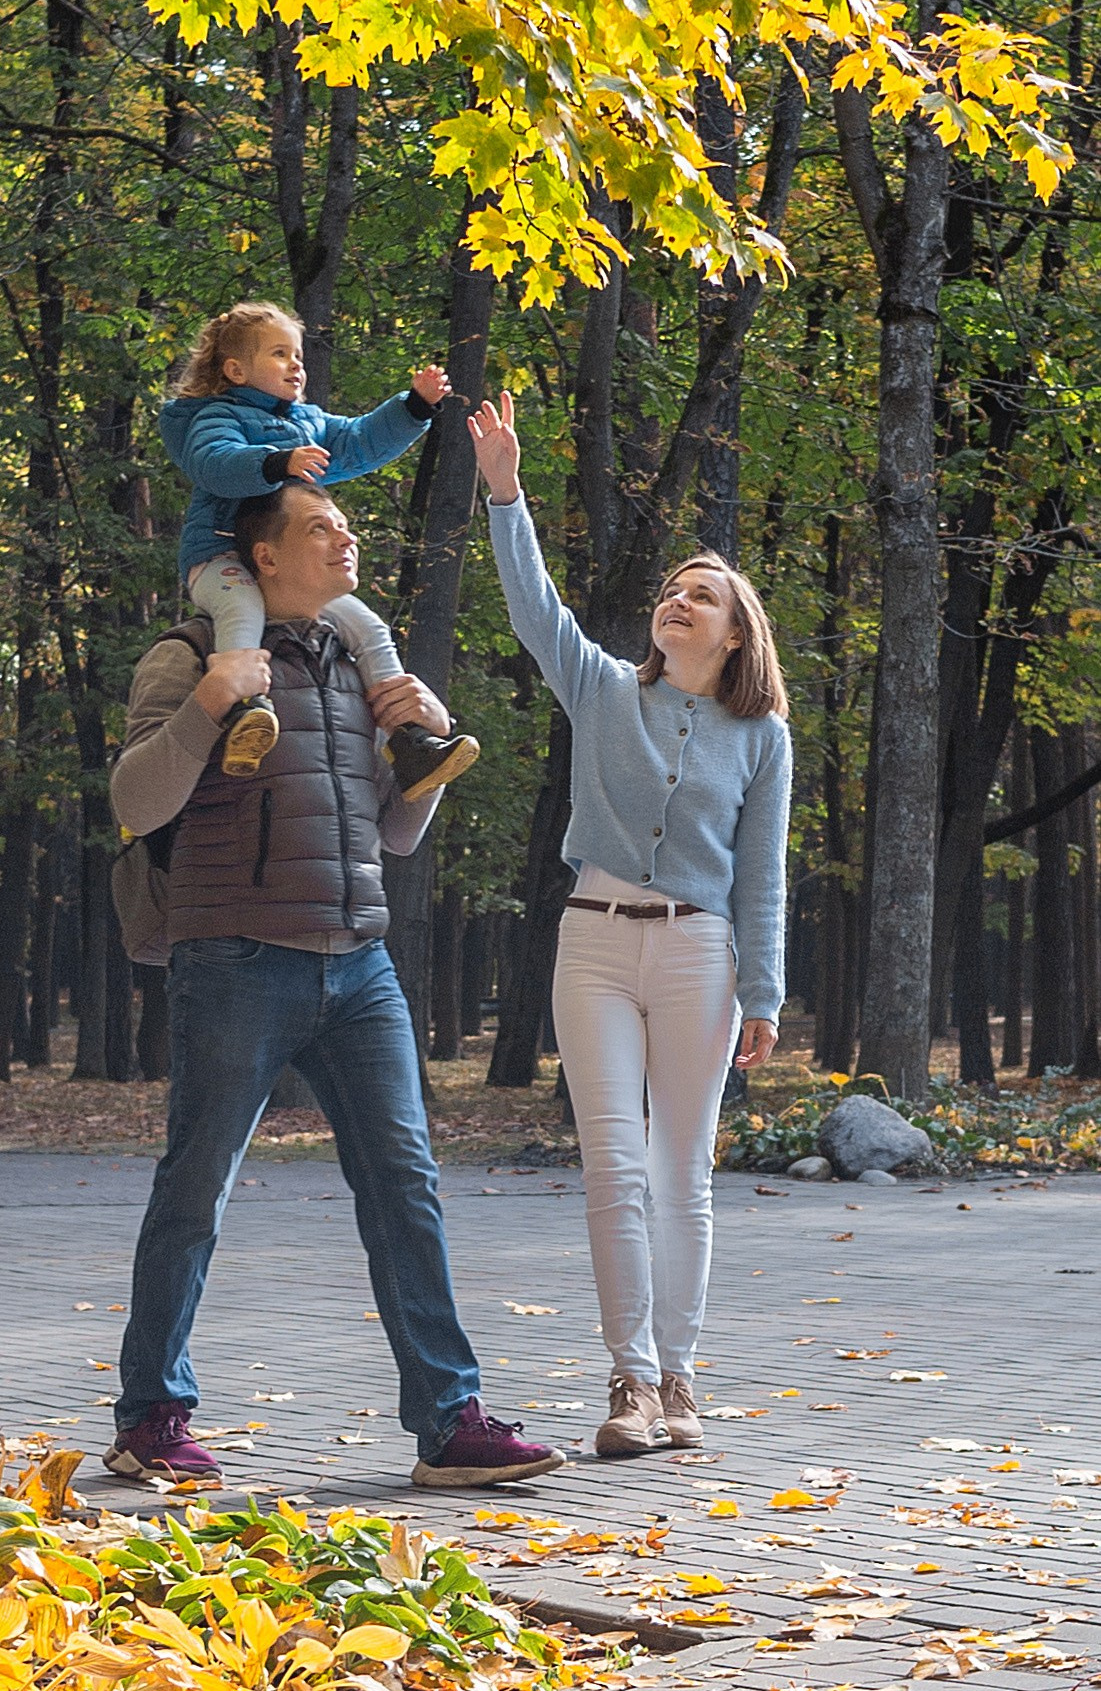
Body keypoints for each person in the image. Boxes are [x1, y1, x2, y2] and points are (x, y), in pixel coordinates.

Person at [105, 472, 565, 1493]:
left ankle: (449, 1423)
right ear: (263, 556)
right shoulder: (186, 656)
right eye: (322, 526)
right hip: (233, 957)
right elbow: (135, 799)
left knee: (406, 1188)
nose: (346, 536)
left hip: (360, 963)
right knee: (196, 1188)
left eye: (347, 523)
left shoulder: (356, 663)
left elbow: (392, 835)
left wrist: (423, 759)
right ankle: (151, 1418)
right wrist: (210, 706)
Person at [469, 392, 791, 1460]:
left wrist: (764, 990)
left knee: (679, 1170)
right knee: (610, 1163)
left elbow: (761, 869)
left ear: (735, 629)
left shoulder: (760, 736)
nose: (677, 600)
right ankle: (631, 1381)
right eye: (669, 589)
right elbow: (534, 612)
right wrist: (505, 489)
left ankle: (684, 1374)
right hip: (595, 941)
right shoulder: (605, 690)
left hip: (701, 950)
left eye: (700, 595)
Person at [162, 301, 479, 797]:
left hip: (288, 571)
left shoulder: (306, 423)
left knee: (368, 626)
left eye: (299, 355)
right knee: (241, 607)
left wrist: (413, 406)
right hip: (222, 558)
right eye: (280, 354)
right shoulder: (215, 416)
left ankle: (410, 741)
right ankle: (243, 714)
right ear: (236, 370)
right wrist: (278, 462)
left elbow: (357, 441)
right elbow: (212, 463)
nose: (296, 365)